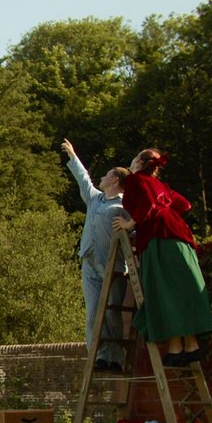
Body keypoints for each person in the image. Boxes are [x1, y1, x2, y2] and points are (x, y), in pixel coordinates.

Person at [112, 149, 212, 367]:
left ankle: (180, 345)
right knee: (180, 286)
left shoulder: (135, 179)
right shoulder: (162, 186)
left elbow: (148, 203)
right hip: (179, 234)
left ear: (139, 161)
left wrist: (130, 223)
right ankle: (184, 345)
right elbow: (185, 205)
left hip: (158, 237)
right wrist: (164, 205)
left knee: (163, 289)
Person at [61, 139, 131, 372]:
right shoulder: (94, 199)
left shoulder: (124, 205)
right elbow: (84, 179)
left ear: (115, 180)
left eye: (107, 175)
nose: (102, 177)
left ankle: (116, 359)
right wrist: (73, 156)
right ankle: (98, 357)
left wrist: (129, 225)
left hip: (113, 265)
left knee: (111, 312)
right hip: (89, 263)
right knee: (92, 315)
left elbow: (136, 226)